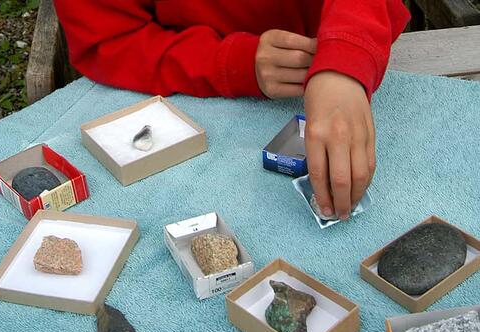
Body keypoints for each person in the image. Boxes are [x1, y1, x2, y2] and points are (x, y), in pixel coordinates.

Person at [54, 0, 410, 220]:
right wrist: (229, 62)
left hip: (341, 60)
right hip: (187, 109)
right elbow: (110, 39)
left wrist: (345, 59)